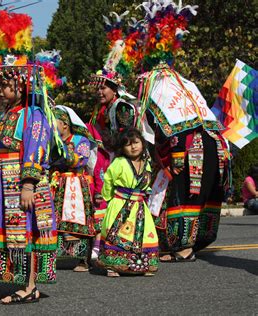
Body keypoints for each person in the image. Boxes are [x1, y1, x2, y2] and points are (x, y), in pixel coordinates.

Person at [0, 10, 61, 304]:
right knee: (11, 234)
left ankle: (30, 286)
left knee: (27, 233)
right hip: (0, 182)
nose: (1, 87)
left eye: (7, 83)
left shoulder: (33, 114)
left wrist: (28, 184)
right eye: (0, 83)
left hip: (19, 183)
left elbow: (35, 149)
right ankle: (19, 281)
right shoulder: (3, 116)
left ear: (21, 84)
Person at [134, 1, 230, 262]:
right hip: (213, 144)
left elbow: (160, 125)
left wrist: (170, 154)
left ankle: (184, 247)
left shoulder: (155, 83)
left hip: (189, 147)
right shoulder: (184, 81)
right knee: (199, 193)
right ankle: (192, 243)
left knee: (184, 191)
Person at [87, 11, 140, 261]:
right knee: (103, 204)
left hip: (121, 164)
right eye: (98, 87)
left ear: (114, 88)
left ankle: (119, 246)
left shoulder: (121, 107)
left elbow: (128, 138)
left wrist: (108, 147)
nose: (100, 91)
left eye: (104, 86)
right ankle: (103, 245)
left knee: (120, 205)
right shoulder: (102, 109)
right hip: (106, 162)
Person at [96, 127, 158, 277]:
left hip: (139, 206)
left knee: (143, 234)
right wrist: (108, 198)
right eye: (128, 144)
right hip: (120, 203)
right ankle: (113, 265)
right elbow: (109, 181)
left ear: (142, 143)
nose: (133, 146)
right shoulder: (119, 162)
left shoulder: (146, 163)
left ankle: (143, 264)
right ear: (122, 148)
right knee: (117, 233)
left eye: (136, 142)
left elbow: (147, 182)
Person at [51, 105, 96, 272]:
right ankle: (54, 255)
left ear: (65, 124)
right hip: (57, 183)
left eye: (54, 120)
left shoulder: (80, 140)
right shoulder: (53, 141)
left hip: (74, 184)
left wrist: (64, 153)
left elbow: (80, 160)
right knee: (54, 219)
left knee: (77, 220)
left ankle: (82, 259)